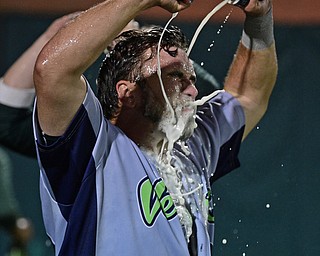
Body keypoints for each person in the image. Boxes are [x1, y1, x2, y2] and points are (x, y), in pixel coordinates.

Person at [32, 0, 277, 255]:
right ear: (128, 93)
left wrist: (260, 16)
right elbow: (51, 71)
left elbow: (249, 97)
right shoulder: (92, 148)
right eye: (174, 75)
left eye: (191, 78)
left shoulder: (191, 148)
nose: (192, 89)